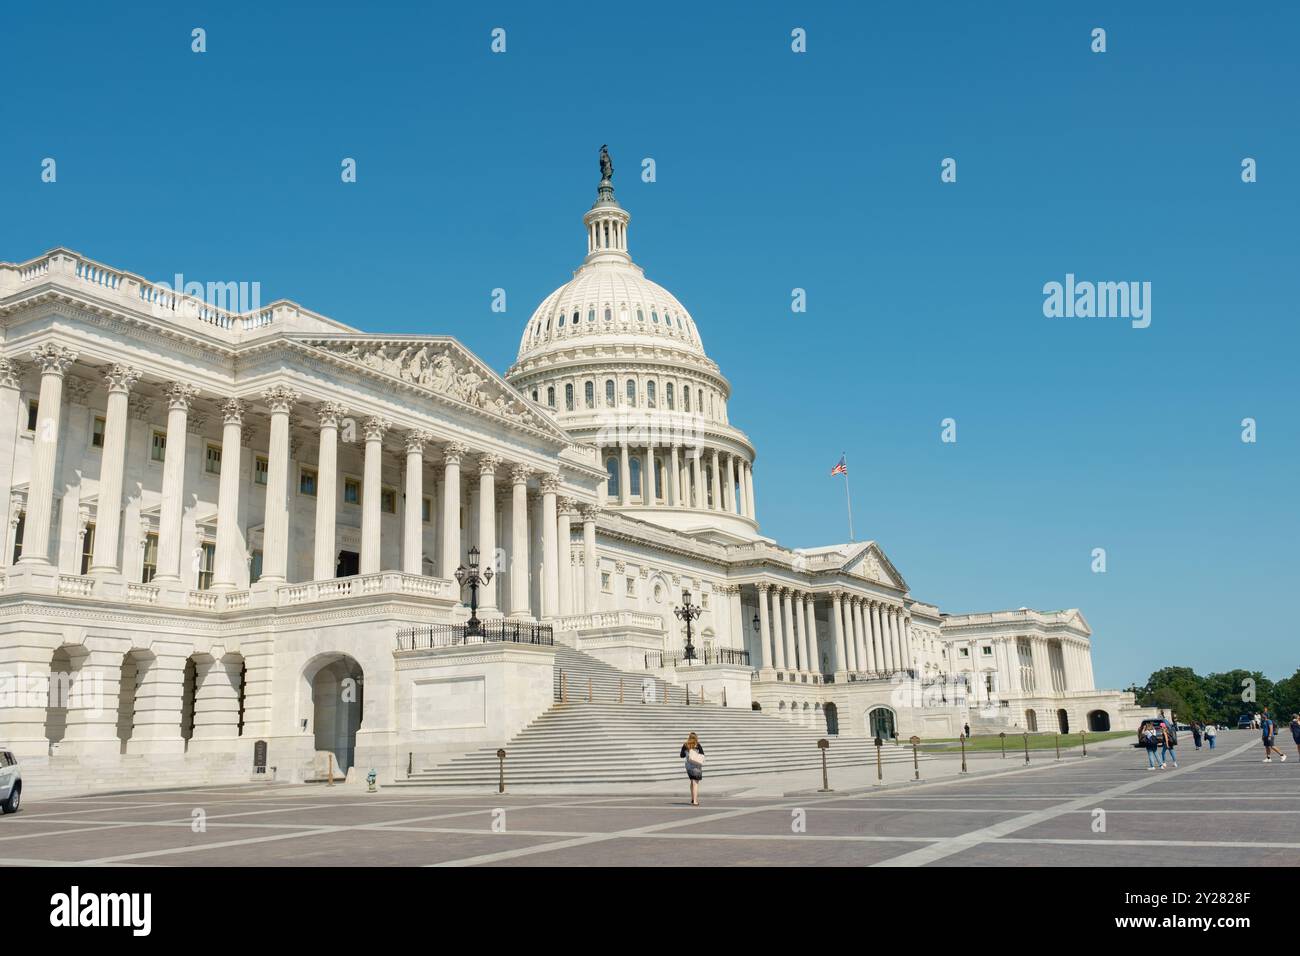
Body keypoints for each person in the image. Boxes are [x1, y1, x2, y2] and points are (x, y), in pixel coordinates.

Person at [680, 732, 705, 805]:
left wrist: (687, 753)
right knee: (695, 783)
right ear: (696, 738)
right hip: (696, 766)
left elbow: (681, 755)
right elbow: (702, 754)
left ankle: (692, 798)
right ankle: (695, 801)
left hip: (688, 766)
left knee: (692, 781)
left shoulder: (685, 745)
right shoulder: (697, 745)